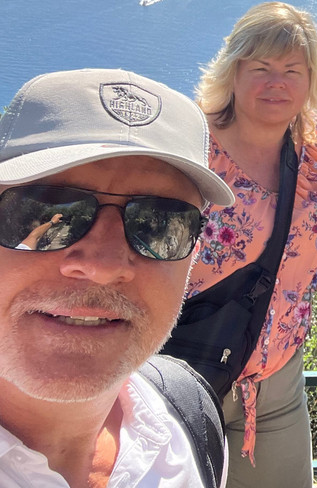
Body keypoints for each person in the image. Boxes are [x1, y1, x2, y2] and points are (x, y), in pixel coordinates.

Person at [0, 68, 236, 487]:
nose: (104, 266)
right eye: (49, 213)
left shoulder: (190, 421)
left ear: (193, 253)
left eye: (159, 226)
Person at [181, 1, 317, 486]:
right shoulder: (191, 145)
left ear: (310, 79)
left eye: (293, 69)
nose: (277, 82)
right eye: (262, 68)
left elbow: (313, 232)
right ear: (233, 70)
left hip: (276, 380)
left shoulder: (310, 146)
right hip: (185, 369)